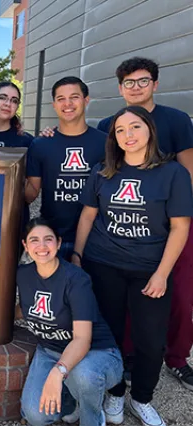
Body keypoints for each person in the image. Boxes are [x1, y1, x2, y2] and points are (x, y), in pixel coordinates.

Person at [74, 106, 193, 426]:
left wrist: (162, 273)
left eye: (135, 127)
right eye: (120, 130)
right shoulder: (102, 171)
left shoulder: (173, 173)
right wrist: (78, 258)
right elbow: (88, 216)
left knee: (150, 340)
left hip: (149, 269)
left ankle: (142, 398)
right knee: (109, 335)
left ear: (150, 131)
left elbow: (180, 226)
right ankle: (114, 394)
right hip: (104, 264)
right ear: (113, 137)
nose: (128, 135)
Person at [97, 57, 193, 391]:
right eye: (128, 82)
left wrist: (179, 217)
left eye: (143, 80)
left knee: (178, 292)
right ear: (119, 88)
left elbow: (189, 170)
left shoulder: (176, 120)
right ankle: (128, 356)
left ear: (155, 83)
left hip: (172, 221)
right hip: (128, 225)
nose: (135, 87)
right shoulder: (109, 124)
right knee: (126, 293)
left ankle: (178, 358)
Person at [17, 218, 122, 426]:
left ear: (58, 242)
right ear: (25, 246)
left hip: (97, 353)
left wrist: (58, 372)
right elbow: (26, 309)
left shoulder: (76, 279)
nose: (42, 246)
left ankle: (91, 417)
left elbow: (83, 339)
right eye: (34, 240)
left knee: (84, 376)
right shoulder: (23, 275)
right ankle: (71, 401)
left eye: (48, 239)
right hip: (50, 351)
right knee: (36, 416)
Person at [25, 77, 106, 259]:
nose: (67, 104)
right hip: (53, 238)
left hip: (96, 238)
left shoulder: (105, 143)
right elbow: (30, 194)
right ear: (54, 104)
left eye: (74, 97)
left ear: (86, 100)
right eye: (61, 99)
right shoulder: (40, 144)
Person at [0, 81, 33, 148]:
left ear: (17, 107)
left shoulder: (27, 142)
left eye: (14, 101)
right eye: (2, 98)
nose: (8, 104)